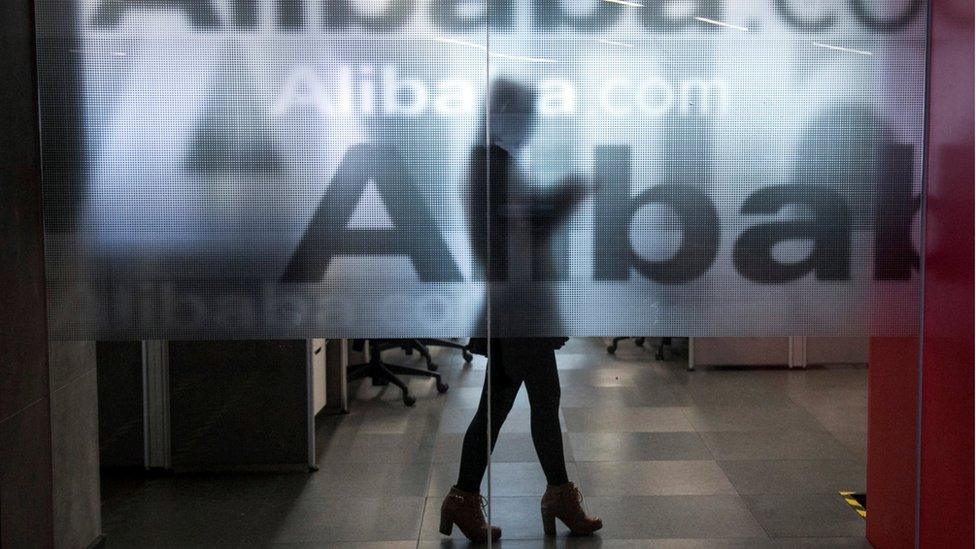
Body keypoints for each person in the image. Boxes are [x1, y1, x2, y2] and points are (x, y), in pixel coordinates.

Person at [438, 79, 603, 542]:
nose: (531, 125)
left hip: (519, 304)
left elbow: (523, 227)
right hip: (517, 307)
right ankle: (557, 496)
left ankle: (465, 498)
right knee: (542, 399)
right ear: (504, 114)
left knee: (501, 404)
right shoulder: (489, 166)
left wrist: (561, 200)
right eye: (526, 115)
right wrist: (563, 199)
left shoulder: (494, 163)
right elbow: (508, 238)